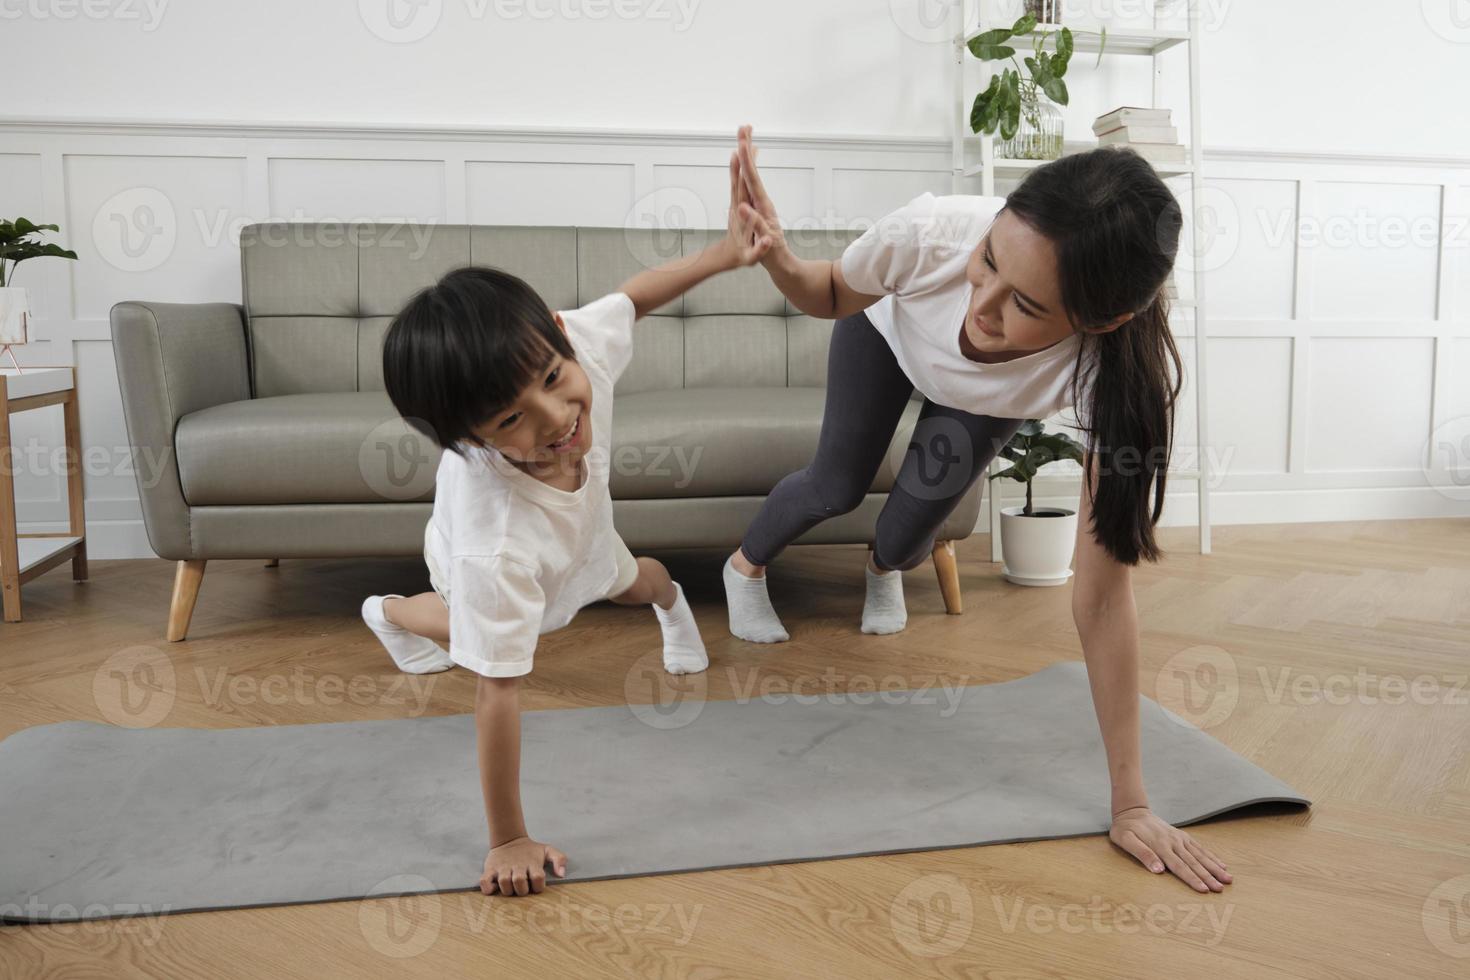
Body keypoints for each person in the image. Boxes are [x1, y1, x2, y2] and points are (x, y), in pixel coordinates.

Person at [722, 125, 1232, 894]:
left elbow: (1100, 598)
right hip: (885, 335)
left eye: (1024, 304)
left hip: (986, 400)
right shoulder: (932, 234)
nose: (981, 306)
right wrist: (779, 259)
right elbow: (828, 293)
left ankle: (882, 567)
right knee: (836, 485)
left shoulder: (1114, 376)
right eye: (989, 260)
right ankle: (744, 566)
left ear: (1099, 323)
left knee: (907, 531)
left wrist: (1131, 804)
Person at [359, 160, 774, 896]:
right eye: (510, 419)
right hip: (497, 553)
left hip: (582, 526)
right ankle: (388, 614)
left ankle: (674, 608)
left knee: (634, 579)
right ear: (470, 440)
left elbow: (633, 300)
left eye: (552, 381)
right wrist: (509, 838)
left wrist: (725, 252)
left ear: (557, 339)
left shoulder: (571, 350)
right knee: (471, 637)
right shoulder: (496, 548)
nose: (556, 419)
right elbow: (498, 696)